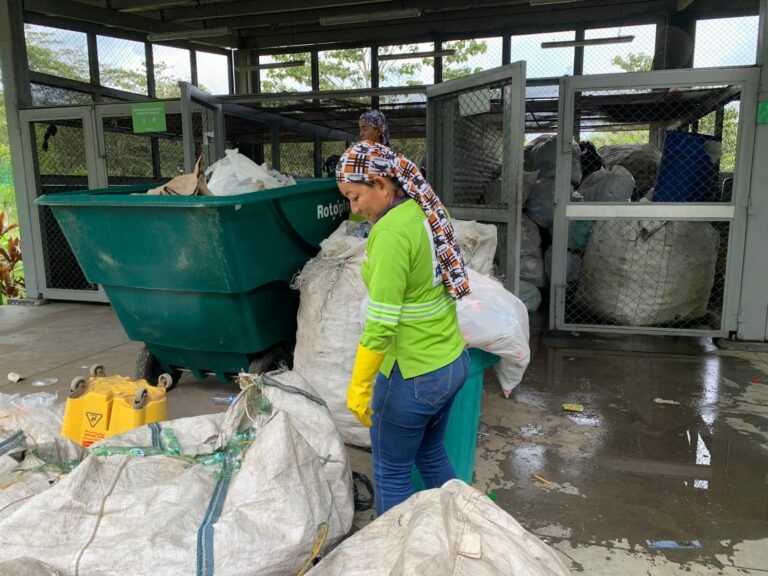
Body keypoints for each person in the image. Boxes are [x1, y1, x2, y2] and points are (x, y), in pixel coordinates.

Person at [335, 140, 471, 515]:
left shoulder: (392, 233)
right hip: (452, 362)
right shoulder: (420, 211)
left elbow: (381, 323)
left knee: (392, 471)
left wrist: (360, 384)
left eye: (355, 196)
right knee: (430, 452)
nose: (355, 208)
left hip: (413, 375)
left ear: (381, 184)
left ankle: (392, 558)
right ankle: (464, 525)